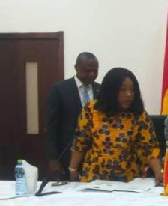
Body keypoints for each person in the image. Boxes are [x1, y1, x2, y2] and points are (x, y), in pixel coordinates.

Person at [68, 68, 162, 183]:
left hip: (128, 181)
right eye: (123, 90)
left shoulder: (139, 115)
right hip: (94, 179)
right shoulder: (91, 110)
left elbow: (150, 148)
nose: (129, 94)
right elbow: (79, 143)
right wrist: (73, 169)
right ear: (110, 90)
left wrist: (158, 172)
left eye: (132, 90)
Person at [46, 52, 100, 180]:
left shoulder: (100, 90)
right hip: (66, 155)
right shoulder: (59, 89)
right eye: (87, 70)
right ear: (76, 68)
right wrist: (53, 159)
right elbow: (51, 126)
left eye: (95, 70)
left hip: (95, 157)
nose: (92, 74)